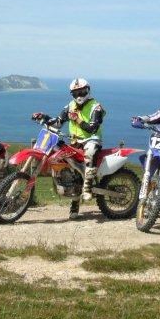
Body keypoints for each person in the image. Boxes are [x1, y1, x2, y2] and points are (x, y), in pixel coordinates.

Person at [32, 78, 106, 220]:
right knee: (72, 171)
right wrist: (44, 117)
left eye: (82, 91)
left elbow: (92, 128)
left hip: (92, 140)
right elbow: (58, 122)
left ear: (87, 90)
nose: (79, 95)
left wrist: (77, 119)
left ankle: (88, 187)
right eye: (75, 93)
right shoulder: (70, 106)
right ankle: (74, 202)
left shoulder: (96, 107)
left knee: (90, 152)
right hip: (75, 142)